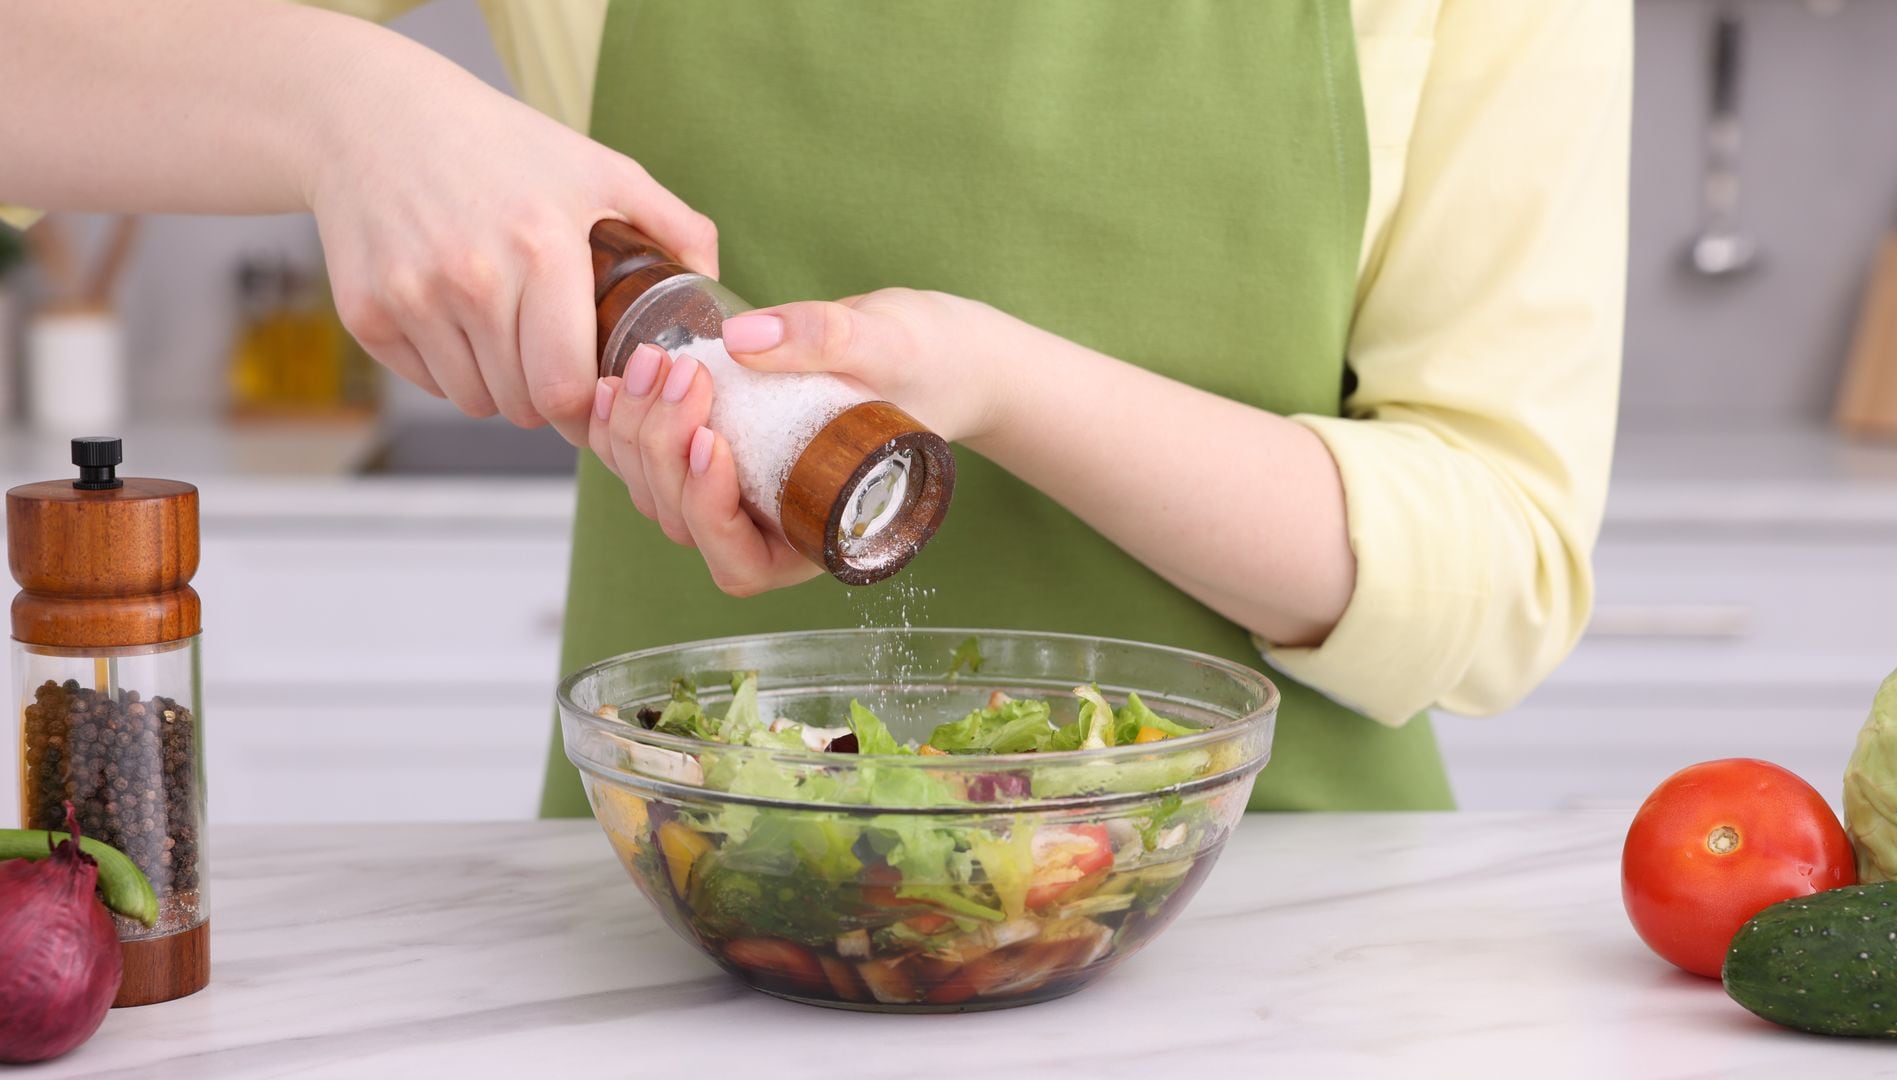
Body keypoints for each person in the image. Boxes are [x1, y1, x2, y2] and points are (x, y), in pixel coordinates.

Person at [1, 1, 1630, 815]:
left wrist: (999, 386)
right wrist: (338, 100)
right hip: (688, 901)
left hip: (1273, 927)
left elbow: (1502, 560)